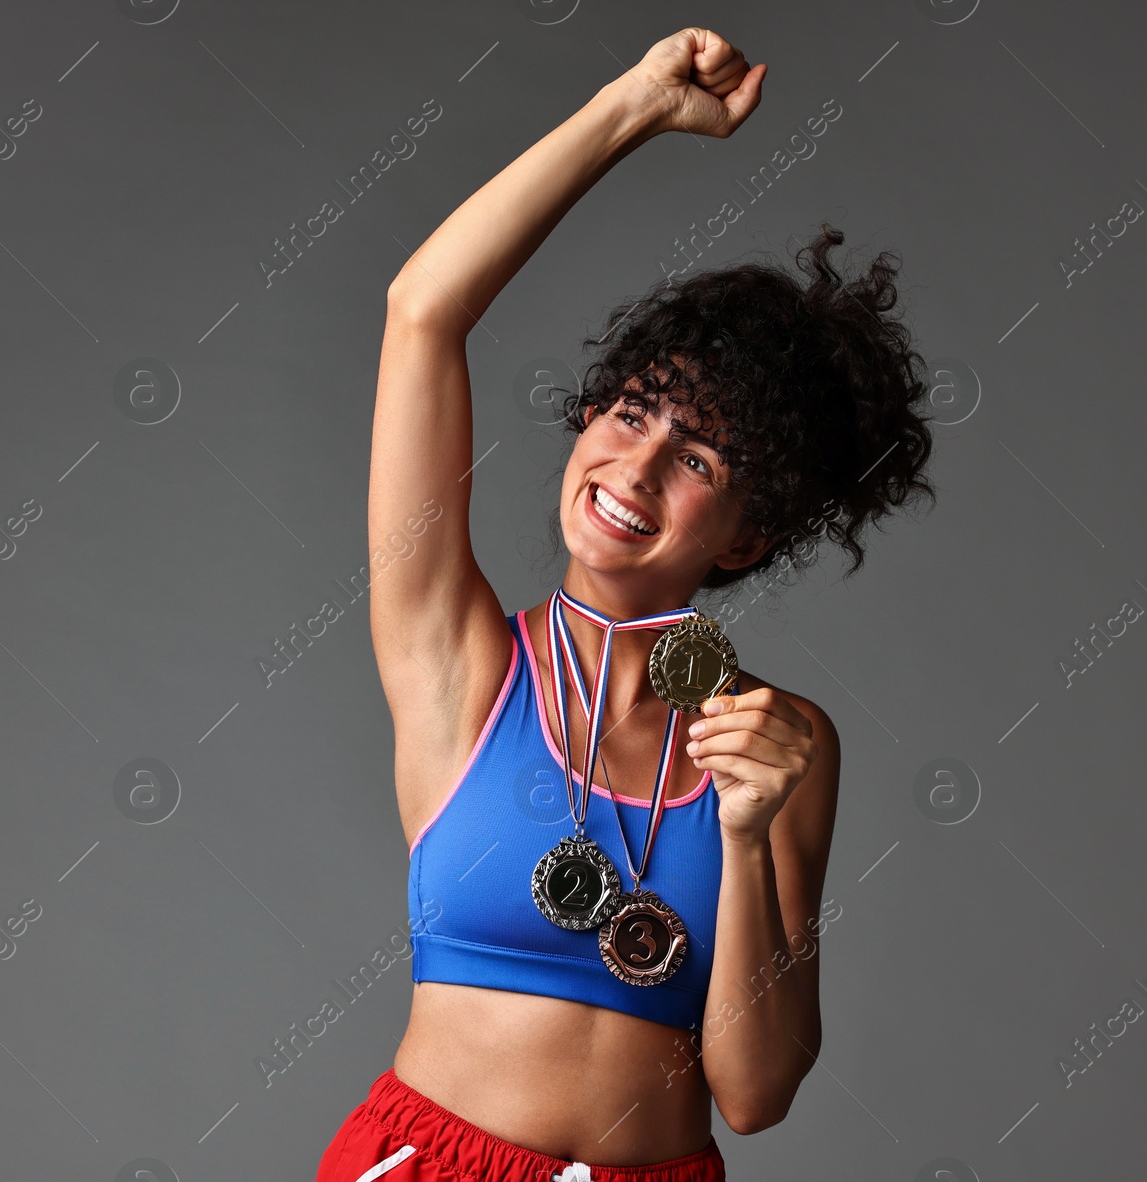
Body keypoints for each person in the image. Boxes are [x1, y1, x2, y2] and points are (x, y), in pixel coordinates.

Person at [316, 27, 936, 1182]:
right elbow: (421, 312)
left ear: (751, 534)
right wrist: (631, 109)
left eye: (700, 460)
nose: (635, 470)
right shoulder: (457, 660)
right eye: (631, 410)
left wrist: (745, 835)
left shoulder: (777, 744)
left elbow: (753, 1095)